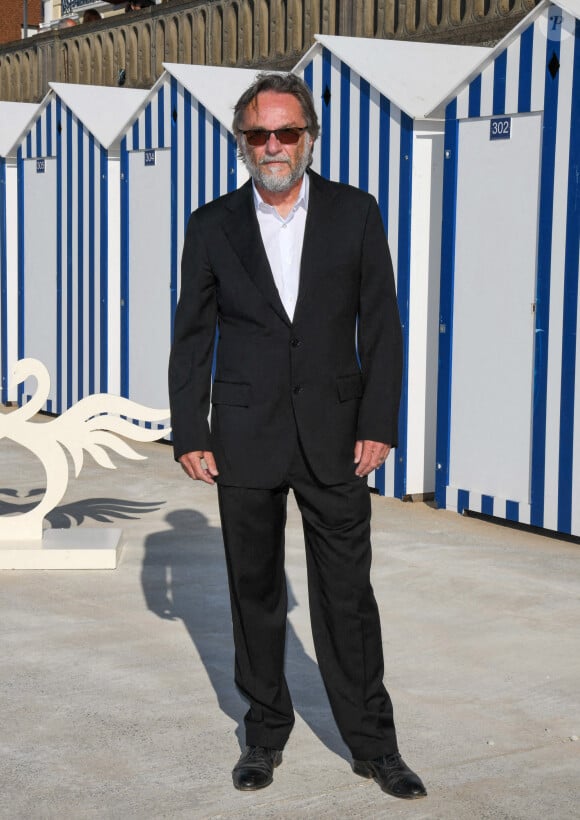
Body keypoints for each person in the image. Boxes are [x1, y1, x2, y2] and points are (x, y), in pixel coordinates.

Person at [168, 73, 427, 800]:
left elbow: (381, 325)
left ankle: (375, 744)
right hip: (244, 435)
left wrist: (379, 422)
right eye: (258, 134)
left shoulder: (355, 212)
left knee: (347, 596)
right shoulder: (211, 223)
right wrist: (191, 427)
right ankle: (264, 733)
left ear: (310, 135)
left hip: (336, 435)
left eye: (286, 132)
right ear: (241, 142)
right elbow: (192, 335)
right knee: (253, 594)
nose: (273, 146)